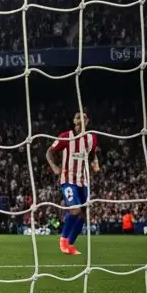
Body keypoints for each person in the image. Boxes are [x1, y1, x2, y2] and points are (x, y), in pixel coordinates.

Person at [47, 110, 100, 256]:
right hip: (68, 180)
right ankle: (63, 240)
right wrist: (54, 167)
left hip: (84, 181)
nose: (81, 119)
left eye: (84, 117)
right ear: (74, 121)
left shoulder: (91, 138)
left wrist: (95, 163)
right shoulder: (65, 137)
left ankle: (70, 244)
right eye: (78, 117)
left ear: (87, 122)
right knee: (75, 210)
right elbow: (49, 152)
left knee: (83, 215)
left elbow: (92, 154)